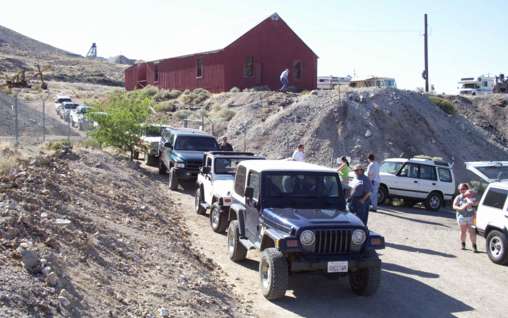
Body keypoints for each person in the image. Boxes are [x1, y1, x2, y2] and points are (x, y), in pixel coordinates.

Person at [452, 183, 478, 252]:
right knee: (463, 231)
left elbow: (477, 203)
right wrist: (460, 208)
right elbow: (454, 206)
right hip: (461, 217)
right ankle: (463, 244)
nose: (461, 191)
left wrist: (472, 204)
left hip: (472, 217)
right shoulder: (458, 197)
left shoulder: (472, 196)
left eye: (463, 189)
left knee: (472, 231)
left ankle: (474, 246)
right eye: (460, 190)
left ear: (467, 189)